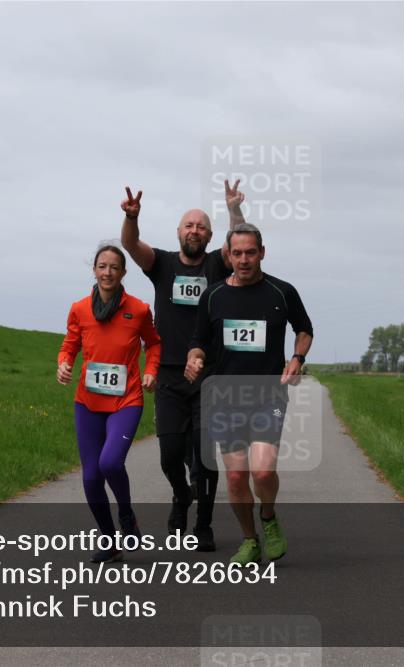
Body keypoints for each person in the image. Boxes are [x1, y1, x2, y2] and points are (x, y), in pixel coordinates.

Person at [120, 182, 247, 551]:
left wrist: (234, 210)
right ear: (178, 233)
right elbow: (130, 245)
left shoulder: (217, 264)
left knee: (205, 455)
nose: (195, 230)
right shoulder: (161, 264)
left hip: (210, 374)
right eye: (188, 225)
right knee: (171, 455)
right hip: (170, 374)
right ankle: (181, 496)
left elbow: (240, 244)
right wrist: (131, 218)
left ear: (210, 236)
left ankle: (203, 526)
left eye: (202, 226)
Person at [185, 223, 313, 565]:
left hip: (269, 395)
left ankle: (268, 519)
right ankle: (249, 539)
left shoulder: (282, 292)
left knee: (263, 471)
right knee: (237, 475)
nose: (244, 260)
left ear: (262, 253)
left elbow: (304, 329)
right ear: (228, 254)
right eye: (237, 253)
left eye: (250, 252)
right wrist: (194, 359)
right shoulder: (212, 296)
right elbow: (198, 341)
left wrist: (298, 358)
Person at [57, 244, 161, 564]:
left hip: (125, 401)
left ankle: (127, 516)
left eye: (114, 267)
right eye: (102, 266)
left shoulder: (138, 309)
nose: (107, 272)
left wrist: (150, 371)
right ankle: (108, 538)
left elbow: (154, 343)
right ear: (94, 270)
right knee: (90, 477)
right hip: (88, 403)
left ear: (123, 273)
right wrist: (63, 362)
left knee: (111, 463)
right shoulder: (79, 309)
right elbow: (70, 344)